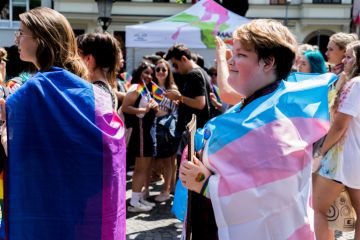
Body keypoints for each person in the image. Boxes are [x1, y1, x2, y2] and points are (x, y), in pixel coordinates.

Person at [179, 19, 333, 239]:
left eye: (240, 55)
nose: (231, 61)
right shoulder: (264, 102)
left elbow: (274, 195)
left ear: (267, 62)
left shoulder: (274, 121)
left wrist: (205, 184)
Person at [0, 7, 126, 240]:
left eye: (21, 33)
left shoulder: (33, 90)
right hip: (80, 205)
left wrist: (4, 132)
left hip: (42, 207)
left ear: (40, 40)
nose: (16, 39)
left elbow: (14, 145)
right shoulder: (85, 88)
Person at [164, 44, 218, 240]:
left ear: (184, 59)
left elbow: (200, 103)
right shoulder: (200, 73)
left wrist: (179, 97)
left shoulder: (195, 75)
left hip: (194, 136)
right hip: (197, 134)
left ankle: (188, 223)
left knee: (188, 178)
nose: (176, 69)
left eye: (176, 65)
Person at [313, 41, 360, 240]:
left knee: (317, 209)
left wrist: (320, 152)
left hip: (342, 158)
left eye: (349, 57)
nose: (344, 60)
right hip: (354, 157)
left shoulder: (356, 84)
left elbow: (340, 126)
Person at [122, 60, 158, 212]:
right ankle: (134, 202)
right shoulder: (136, 87)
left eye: (151, 73)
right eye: (146, 73)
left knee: (146, 167)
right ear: (139, 73)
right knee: (140, 168)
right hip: (140, 132)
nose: (149, 76)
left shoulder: (146, 89)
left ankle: (139, 198)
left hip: (147, 131)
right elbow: (125, 107)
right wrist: (144, 110)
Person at [151, 58, 178, 202]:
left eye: (164, 69)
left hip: (168, 129)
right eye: (158, 69)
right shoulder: (150, 88)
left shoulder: (173, 90)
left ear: (168, 72)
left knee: (169, 161)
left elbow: (176, 112)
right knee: (164, 161)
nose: (161, 72)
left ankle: (166, 189)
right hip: (154, 127)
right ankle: (170, 186)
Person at [77, 32, 121, 110]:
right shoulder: (105, 89)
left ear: (88, 59)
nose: (74, 59)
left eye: (77, 55)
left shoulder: (95, 92)